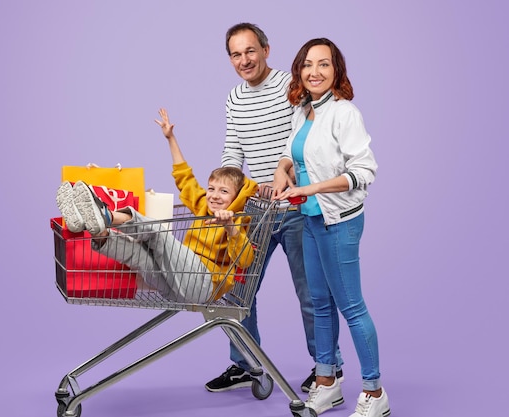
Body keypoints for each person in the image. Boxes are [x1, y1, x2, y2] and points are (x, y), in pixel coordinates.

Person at [206, 22, 343, 394]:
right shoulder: (234, 98)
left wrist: (286, 177)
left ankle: (327, 368)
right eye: (236, 54)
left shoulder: (292, 86)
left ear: (266, 49)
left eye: (250, 51)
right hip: (255, 212)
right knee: (237, 289)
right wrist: (222, 189)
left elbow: (308, 140)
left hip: (297, 207)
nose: (244, 60)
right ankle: (247, 364)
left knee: (312, 292)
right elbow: (233, 150)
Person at [272, 38, 390, 417]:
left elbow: (363, 172)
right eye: (308, 64)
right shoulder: (302, 110)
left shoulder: (344, 113)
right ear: (299, 71)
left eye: (324, 64)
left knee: (351, 307)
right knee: (319, 305)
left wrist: (310, 188)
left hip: (339, 221)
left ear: (336, 70)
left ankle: (374, 392)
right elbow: (292, 155)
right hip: (308, 218)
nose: (314, 72)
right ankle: (327, 384)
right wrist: (281, 173)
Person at [56, 108, 259, 303]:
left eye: (223, 192)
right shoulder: (202, 205)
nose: (214, 196)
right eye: (212, 189)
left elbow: (245, 261)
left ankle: (107, 216)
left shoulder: (238, 219)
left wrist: (230, 228)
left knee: (158, 233)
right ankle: (98, 231)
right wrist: (170, 138)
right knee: (139, 256)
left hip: (204, 284)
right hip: (175, 284)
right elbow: (185, 178)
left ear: (236, 196)